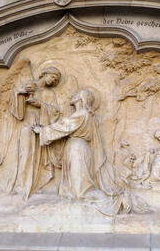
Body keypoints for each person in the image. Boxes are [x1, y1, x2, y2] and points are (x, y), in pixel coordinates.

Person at [32, 89, 120, 200]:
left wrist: (43, 131)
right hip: (76, 147)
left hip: (77, 148)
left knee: (79, 182)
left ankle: (83, 198)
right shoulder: (87, 115)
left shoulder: (82, 113)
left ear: (81, 98)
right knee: (75, 180)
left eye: (76, 94)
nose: (73, 95)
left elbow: (65, 127)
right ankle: (75, 198)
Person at [8, 66, 63, 199]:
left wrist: (41, 105)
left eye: (55, 79)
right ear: (45, 74)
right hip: (28, 124)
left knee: (39, 156)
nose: (53, 80)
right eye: (52, 76)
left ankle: (35, 185)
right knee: (26, 154)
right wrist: (19, 93)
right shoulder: (29, 85)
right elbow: (16, 111)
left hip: (41, 126)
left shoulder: (50, 94)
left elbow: (56, 111)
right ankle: (22, 185)